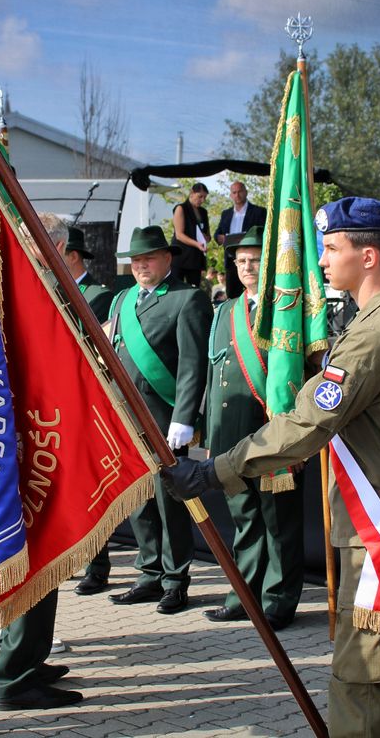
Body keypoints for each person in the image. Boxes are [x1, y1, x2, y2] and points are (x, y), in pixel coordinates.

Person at [163, 197, 380, 738]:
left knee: (365, 684)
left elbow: (309, 423)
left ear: (368, 256)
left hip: (377, 532)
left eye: (332, 249)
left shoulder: (378, 331)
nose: (322, 262)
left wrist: (216, 471)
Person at [0, 214, 85, 712]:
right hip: (33, 445)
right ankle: (15, 676)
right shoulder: (26, 293)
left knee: (44, 560)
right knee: (33, 559)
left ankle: (29, 655)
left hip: (45, 436)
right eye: (53, 245)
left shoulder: (36, 290)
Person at [201, 226, 302, 631]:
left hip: (271, 433)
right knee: (244, 518)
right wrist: (211, 436)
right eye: (241, 261)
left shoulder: (285, 308)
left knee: (279, 521)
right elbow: (214, 375)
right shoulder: (226, 310)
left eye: (255, 260)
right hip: (232, 433)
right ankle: (244, 595)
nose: (246, 267)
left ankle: (278, 600)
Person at [108, 225, 212, 614]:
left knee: (171, 502)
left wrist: (184, 419)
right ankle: (148, 573)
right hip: (127, 417)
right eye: (135, 261)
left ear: (167, 258)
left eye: (148, 258)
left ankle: (176, 579)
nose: (140, 266)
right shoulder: (122, 300)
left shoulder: (188, 299)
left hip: (166, 418)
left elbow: (191, 365)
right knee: (138, 500)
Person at [68, 225, 120, 598]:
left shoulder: (97, 295)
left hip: (88, 399)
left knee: (91, 482)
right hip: (62, 401)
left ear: (70, 256)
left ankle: (97, 564)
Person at [214, 181, 267, 297]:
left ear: (246, 192)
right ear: (231, 195)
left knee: (256, 292)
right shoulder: (226, 214)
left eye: (240, 192)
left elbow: (265, 233)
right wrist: (219, 238)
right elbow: (217, 233)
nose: (237, 195)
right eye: (234, 192)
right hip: (231, 259)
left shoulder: (259, 212)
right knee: (233, 295)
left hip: (253, 260)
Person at [171, 183, 210, 287]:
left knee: (194, 288)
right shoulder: (181, 208)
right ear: (192, 193)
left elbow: (208, 235)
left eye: (204, 197)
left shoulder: (203, 212)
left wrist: (206, 238)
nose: (202, 200)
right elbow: (179, 234)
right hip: (180, 256)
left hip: (195, 259)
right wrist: (197, 244)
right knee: (176, 287)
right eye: (200, 196)